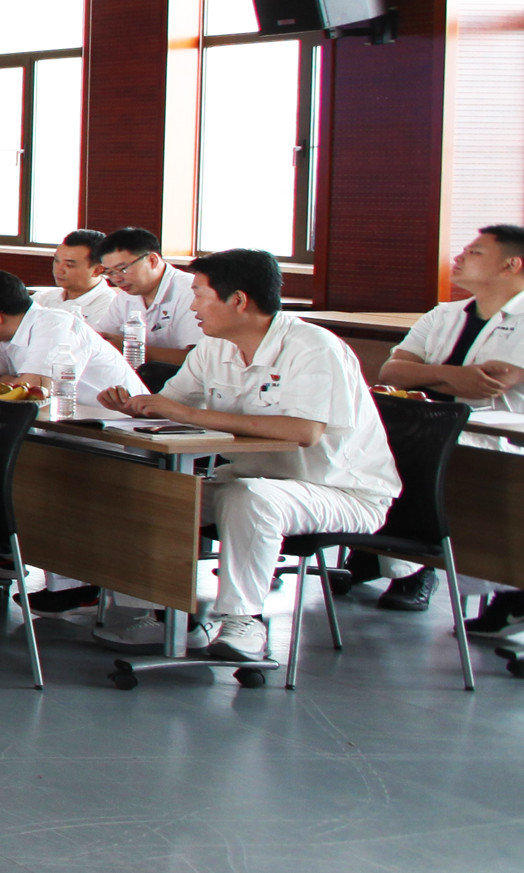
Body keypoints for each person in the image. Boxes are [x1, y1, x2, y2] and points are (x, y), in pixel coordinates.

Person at [98, 249, 402, 664]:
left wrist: (189, 414)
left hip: (340, 491)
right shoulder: (213, 348)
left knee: (251, 499)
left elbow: (304, 431)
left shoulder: (314, 348)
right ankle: (165, 615)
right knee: (154, 492)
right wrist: (135, 407)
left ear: (238, 300)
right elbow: (171, 405)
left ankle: (244, 620)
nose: (192, 306)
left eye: (199, 295)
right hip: (247, 479)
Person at [384, 225, 524, 628]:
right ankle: (406, 562)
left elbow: (494, 383)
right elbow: (392, 371)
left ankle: (425, 567)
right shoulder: (443, 314)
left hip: (494, 440)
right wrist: (456, 377)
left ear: (511, 265)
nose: (459, 257)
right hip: (427, 432)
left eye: (475, 252)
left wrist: (428, 375)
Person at [0, 269, 147, 417]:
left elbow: (33, 392)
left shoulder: (54, 324)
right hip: (73, 424)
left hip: (123, 429)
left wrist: (8, 380)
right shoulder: (7, 337)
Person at [93, 227, 203, 368]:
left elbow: (200, 359)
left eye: (122, 269)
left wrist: (133, 350)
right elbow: (103, 338)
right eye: (110, 272)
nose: (117, 279)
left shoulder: (190, 292)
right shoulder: (126, 296)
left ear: (152, 260)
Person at [42, 229, 140, 336]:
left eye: (70, 265)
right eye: (57, 261)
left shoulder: (110, 309)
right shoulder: (43, 298)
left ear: (97, 270)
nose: (58, 270)